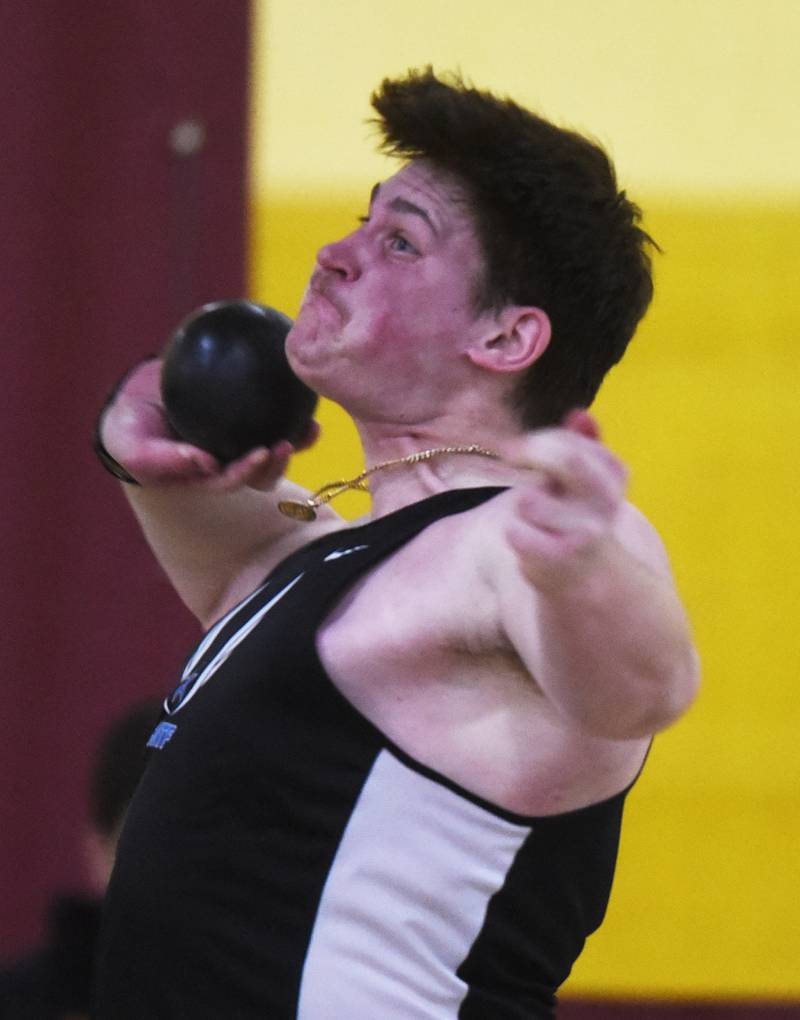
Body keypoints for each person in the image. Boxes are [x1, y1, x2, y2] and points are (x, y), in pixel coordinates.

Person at [91, 69, 699, 1018]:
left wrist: (581, 568)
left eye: (401, 241)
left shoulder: (515, 540)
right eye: (362, 222)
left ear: (506, 338)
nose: (337, 254)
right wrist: (128, 426)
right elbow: (173, 475)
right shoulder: (306, 562)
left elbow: (644, 692)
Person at [0, 699, 161, 1020]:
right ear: (98, 850)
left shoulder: (262, 992)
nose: (170, 876)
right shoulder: (22, 1002)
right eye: (149, 849)